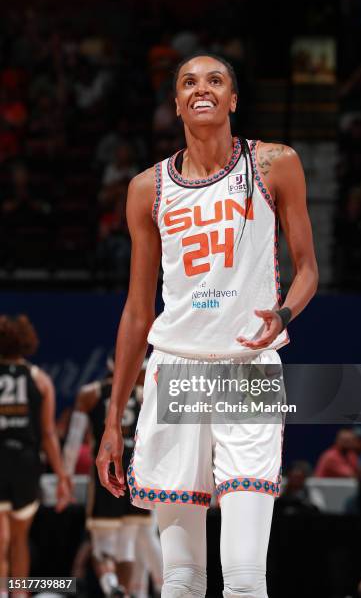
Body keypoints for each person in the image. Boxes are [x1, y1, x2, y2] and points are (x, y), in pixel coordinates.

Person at [96, 53, 318, 598]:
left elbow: (308, 268)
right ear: (176, 104)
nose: (202, 88)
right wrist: (111, 424)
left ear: (232, 99)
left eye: (215, 80)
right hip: (175, 373)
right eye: (189, 82)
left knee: (244, 576)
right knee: (181, 578)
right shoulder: (146, 190)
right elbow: (136, 311)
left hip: (247, 369)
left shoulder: (274, 163)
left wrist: (284, 314)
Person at [63, 356, 162, 598]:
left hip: (107, 476)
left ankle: (111, 584)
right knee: (129, 546)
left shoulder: (91, 394)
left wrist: (65, 475)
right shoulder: (147, 394)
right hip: (137, 475)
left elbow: (73, 442)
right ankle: (130, 592)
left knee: (103, 546)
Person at [0, 314, 72, 597]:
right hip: (25, 466)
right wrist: (62, 475)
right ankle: (17, 594)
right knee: (18, 539)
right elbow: (49, 435)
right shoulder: (39, 379)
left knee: (1, 539)